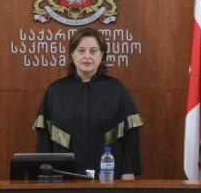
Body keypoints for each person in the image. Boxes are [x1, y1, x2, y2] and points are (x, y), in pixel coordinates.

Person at [33, 27, 143, 179]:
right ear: (72, 54)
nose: (87, 56)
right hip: (63, 177)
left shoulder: (116, 89)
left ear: (101, 55)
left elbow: (131, 135)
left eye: (93, 51)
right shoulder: (56, 90)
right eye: (81, 50)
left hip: (107, 177)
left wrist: (128, 171)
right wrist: (44, 172)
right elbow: (43, 138)